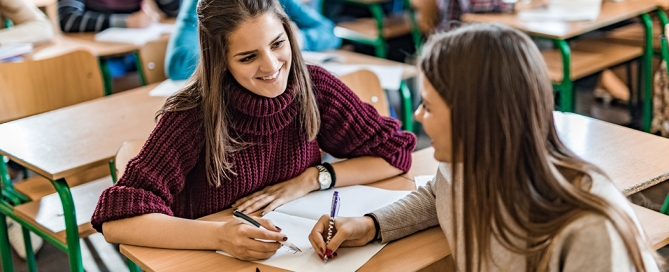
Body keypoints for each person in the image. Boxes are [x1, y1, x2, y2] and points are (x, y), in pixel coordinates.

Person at [308, 23, 660, 271]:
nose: (417, 116)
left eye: (428, 106)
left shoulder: (589, 230)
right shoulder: (466, 164)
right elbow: (438, 195)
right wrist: (370, 225)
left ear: (474, 117)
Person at [91, 0, 415, 261]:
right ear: (221, 62)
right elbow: (117, 220)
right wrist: (219, 235)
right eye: (248, 57)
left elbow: (394, 154)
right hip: (209, 259)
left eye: (278, 44)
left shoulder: (314, 86)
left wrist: (312, 178)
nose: (272, 66)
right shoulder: (192, 115)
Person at [165, 0, 341, 80]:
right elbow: (177, 65)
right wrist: (232, 52)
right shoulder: (201, 5)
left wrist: (299, 39)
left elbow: (329, 31)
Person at [58, 0, 180, 33]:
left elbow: (176, 10)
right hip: (99, 55)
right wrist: (127, 22)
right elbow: (69, 19)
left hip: (136, 46)